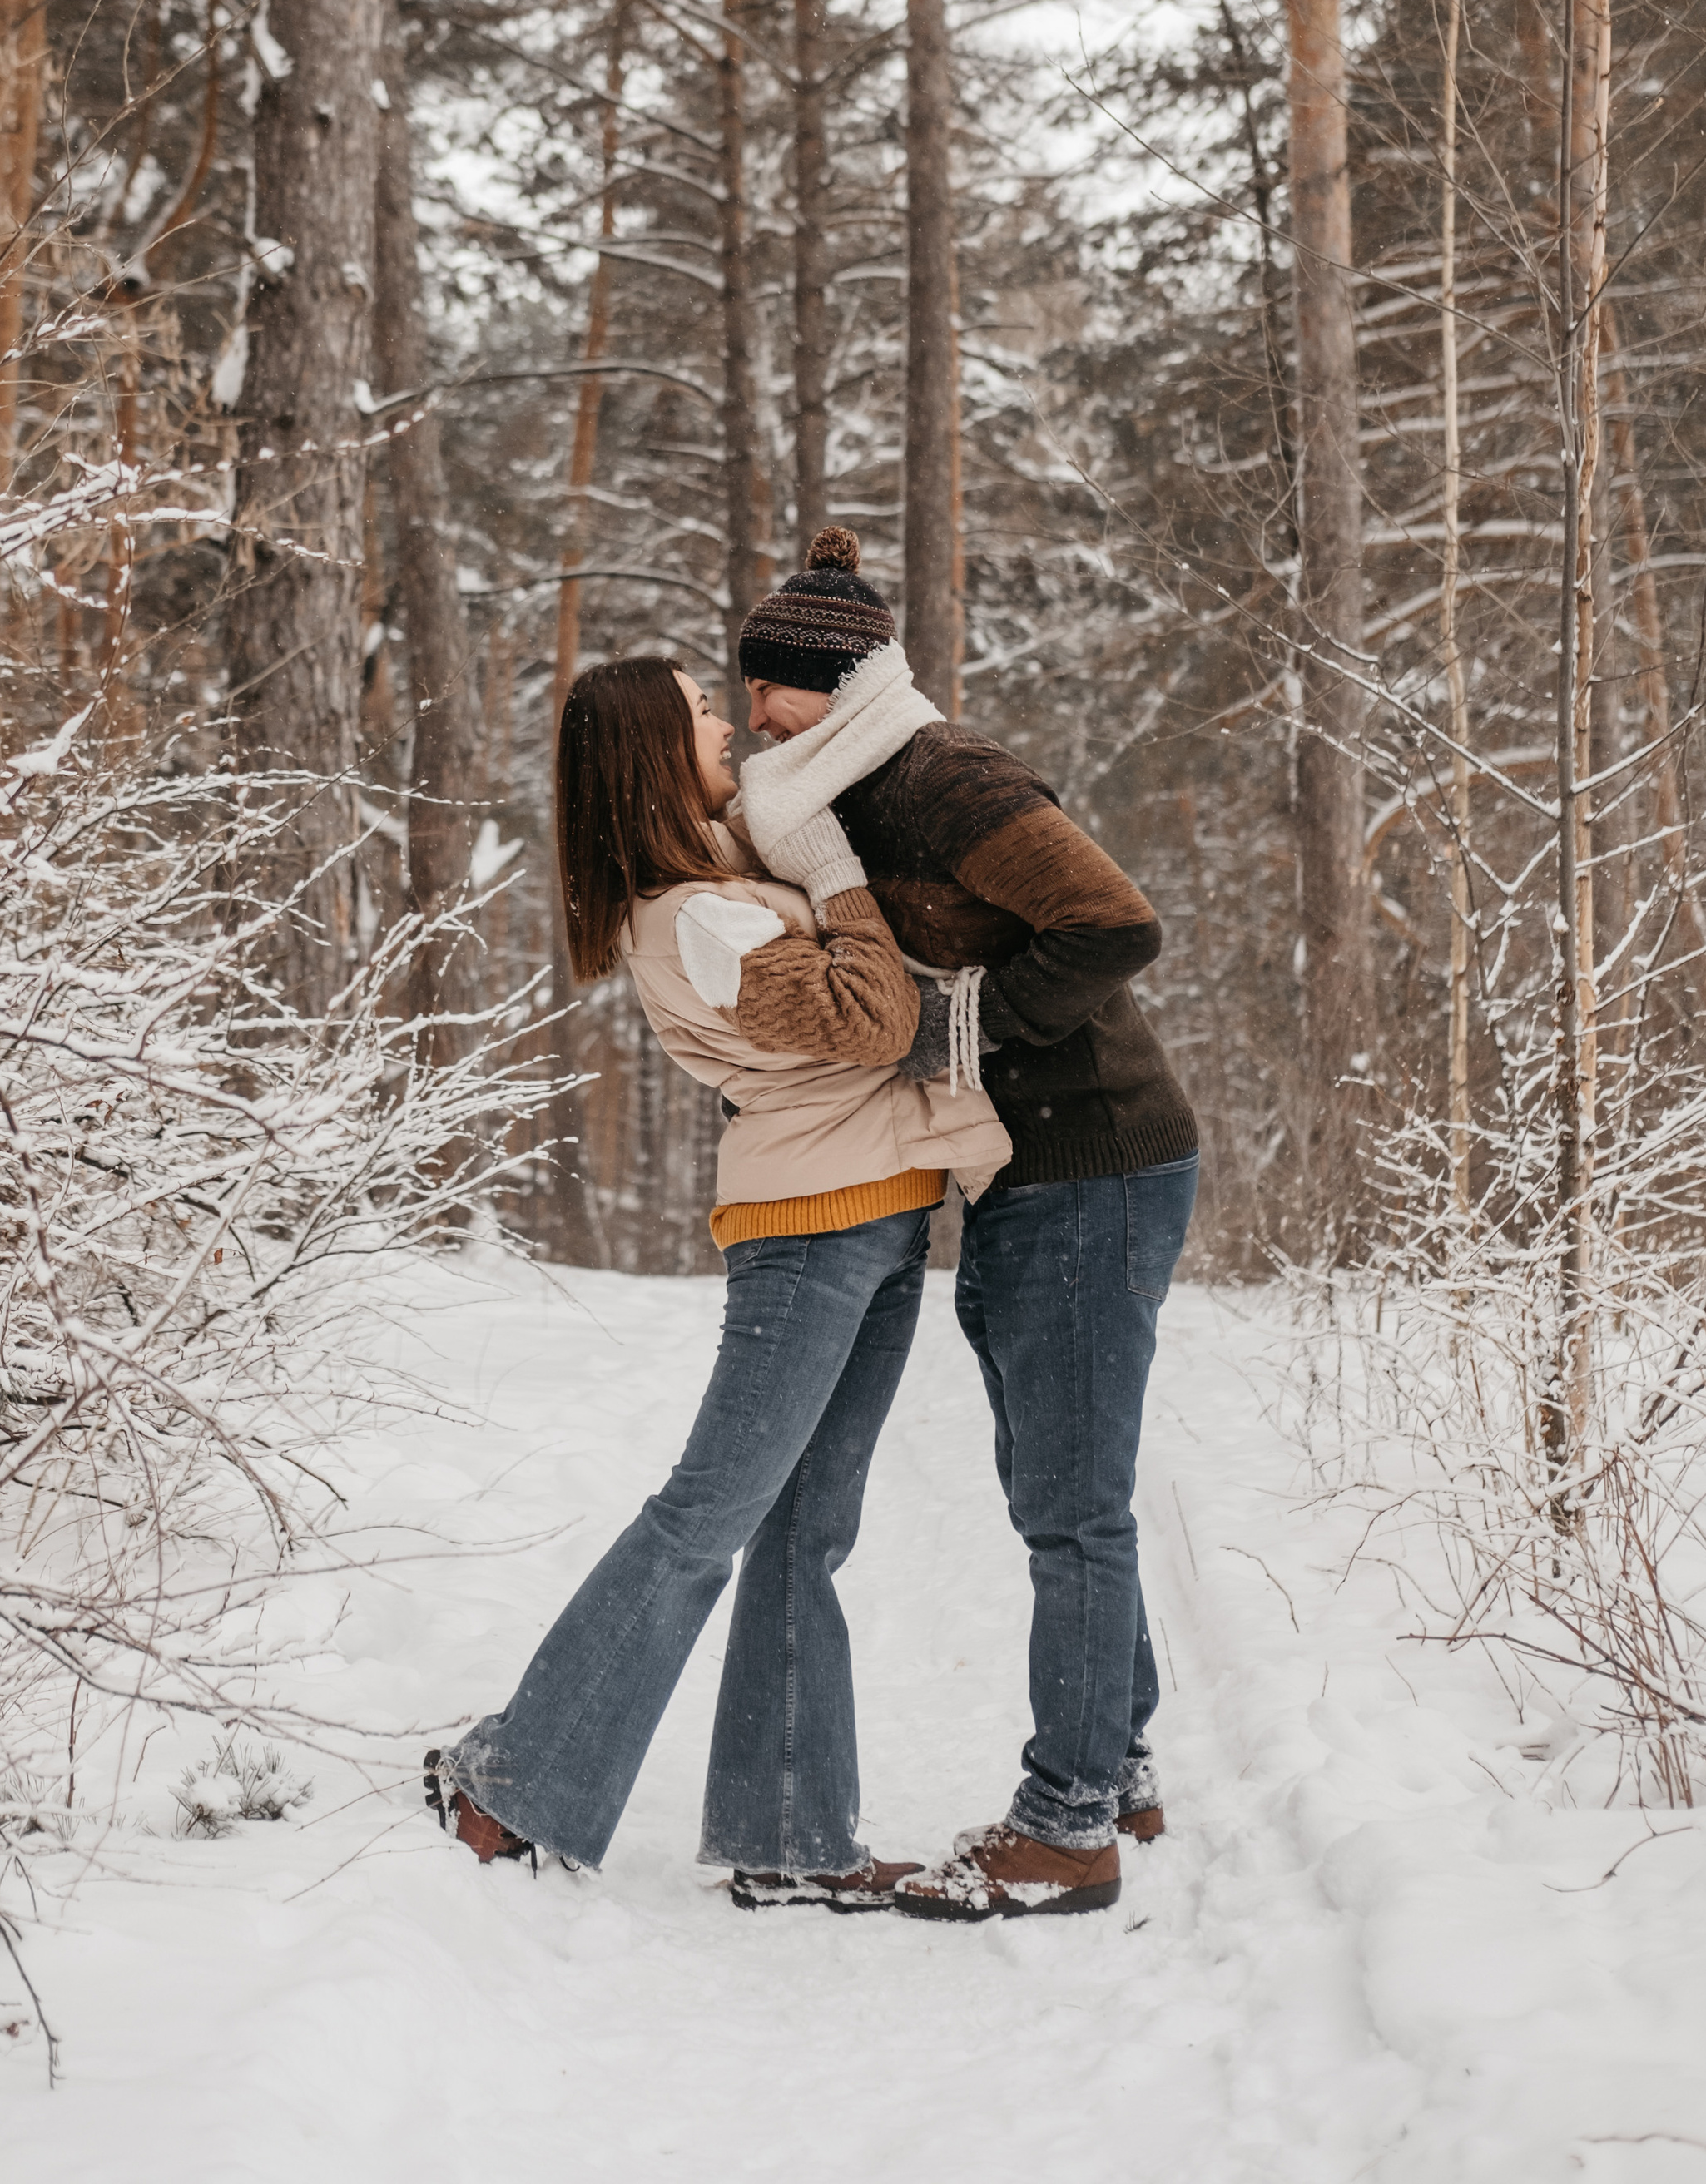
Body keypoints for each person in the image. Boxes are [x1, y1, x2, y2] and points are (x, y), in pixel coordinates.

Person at [426, 654, 1007, 1904]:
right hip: (809, 1230)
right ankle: (510, 1783)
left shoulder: (727, 877)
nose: (726, 728)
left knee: (805, 1530)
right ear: (650, 753)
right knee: (707, 1518)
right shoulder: (699, 915)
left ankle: (789, 1834)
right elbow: (874, 1020)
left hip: (879, 1212)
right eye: (700, 712)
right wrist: (845, 878)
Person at [735, 529, 1199, 1921]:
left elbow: (1117, 922)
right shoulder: (843, 799)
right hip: (1031, 1173)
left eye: (775, 692)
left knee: (1072, 1508)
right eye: (749, 691)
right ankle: (1114, 1768)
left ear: (839, 684)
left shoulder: (945, 776)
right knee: (1051, 1486)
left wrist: (950, 1030)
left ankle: (1066, 1829)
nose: (755, 713)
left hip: (1093, 1162)